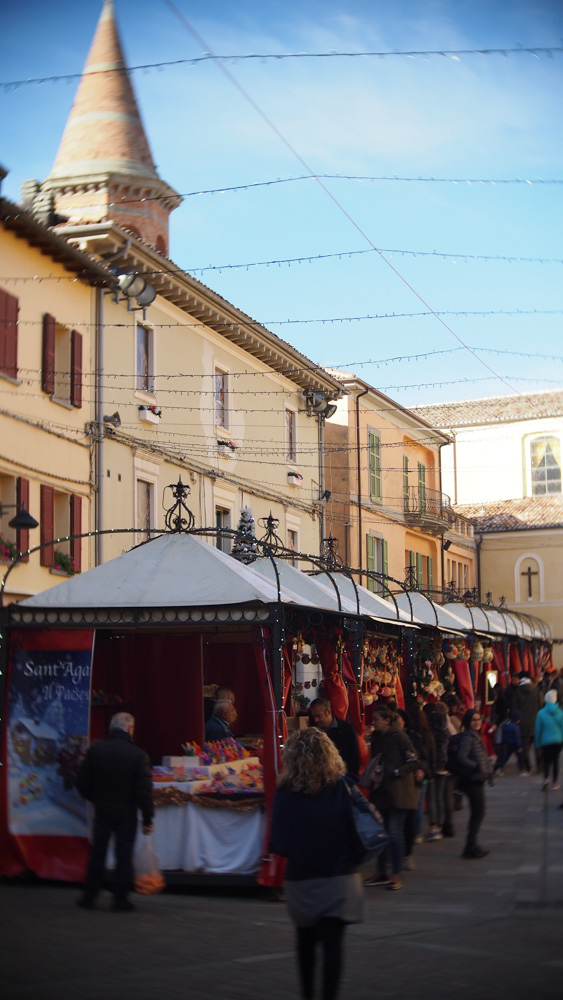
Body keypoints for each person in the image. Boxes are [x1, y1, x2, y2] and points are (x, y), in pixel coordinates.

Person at [269, 727, 364, 1000]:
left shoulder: (285, 793)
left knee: (305, 942)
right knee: (334, 945)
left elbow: (278, 842)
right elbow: (354, 830)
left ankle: (308, 994)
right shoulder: (343, 787)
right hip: (340, 876)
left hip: (302, 878)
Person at [76, 712, 154, 911]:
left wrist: (96, 798)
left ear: (111, 729)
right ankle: (120, 899)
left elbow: (82, 782)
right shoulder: (139, 755)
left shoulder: (96, 751)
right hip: (126, 811)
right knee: (123, 854)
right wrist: (147, 817)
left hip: (102, 809)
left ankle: (89, 896)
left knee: (98, 853)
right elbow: (143, 791)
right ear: (130, 729)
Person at [364, 705, 419, 891]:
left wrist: (396, 771)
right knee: (382, 834)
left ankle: (396, 873)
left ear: (387, 721)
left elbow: (413, 760)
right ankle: (381, 871)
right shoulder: (377, 737)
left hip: (398, 794)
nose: (373, 722)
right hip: (381, 792)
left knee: (395, 834)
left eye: (377, 719)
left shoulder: (400, 737)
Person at [456, 709, 492, 860]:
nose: (477, 722)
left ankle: (472, 845)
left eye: (478, 719)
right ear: (467, 722)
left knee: (477, 814)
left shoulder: (475, 736)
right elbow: (461, 757)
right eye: (473, 720)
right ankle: (470, 847)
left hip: (477, 779)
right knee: (478, 813)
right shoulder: (468, 738)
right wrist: (476, 766)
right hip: (472, 780)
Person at [308, 698, 360, 781]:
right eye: (314, 716)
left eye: (318, 716)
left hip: (342, 778)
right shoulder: (314, 731)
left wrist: (350, 780)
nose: (316, 720)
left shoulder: (346, 729)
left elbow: (354, 757)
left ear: (328, 711)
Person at [423, 702, 450, 841]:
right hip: (443, 765)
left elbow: (430, 749)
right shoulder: (445, 725)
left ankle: (434, 827)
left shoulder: (430, 726)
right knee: (439, 797)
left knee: (432, 797)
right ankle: (439, 826)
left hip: (433, 766)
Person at [514, 672, 543, 775]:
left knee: (525, 746)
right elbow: (541, 705)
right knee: (537, 745)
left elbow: (514, 708)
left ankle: (526, 767)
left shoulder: (517, 691)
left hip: (522, 723)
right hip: (536, 721)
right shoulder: (536, 690)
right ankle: (540, 765)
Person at [534, 690, 563, 790]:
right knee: (555, 761)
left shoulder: (541, 713)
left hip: (545, 741)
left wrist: (537, 743)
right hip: (558, 741)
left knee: (546, 761)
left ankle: (546, 779)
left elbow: (538, 730)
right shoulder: (560, 713)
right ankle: (554, 782)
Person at [494, 709, 524, 775]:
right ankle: (521, 769)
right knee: (520, 756)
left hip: (507, 743)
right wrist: (519, 746)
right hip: (515, 744)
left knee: (505, 757)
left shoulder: (505, 724)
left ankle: (499, 768)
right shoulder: (515, 727)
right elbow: (517, 737)